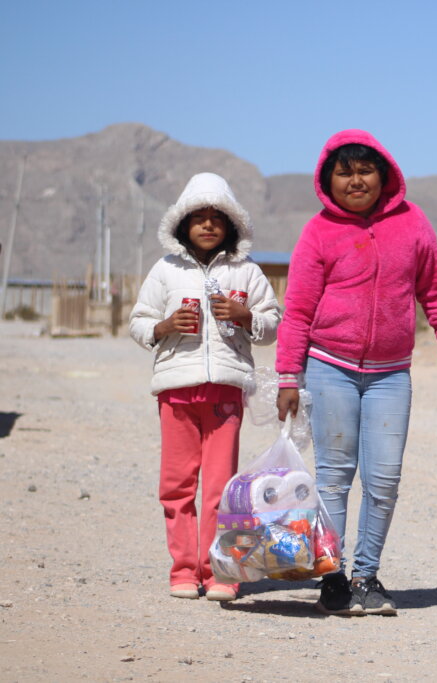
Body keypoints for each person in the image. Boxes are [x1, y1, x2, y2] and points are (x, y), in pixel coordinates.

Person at [276, 130, 437, 617]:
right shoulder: (318, 232)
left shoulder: (412, 223)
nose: (356, 180)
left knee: (384, 479)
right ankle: (333, 576)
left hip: (390, 374)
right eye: (345, 172)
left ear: (385, 176)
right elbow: (297, 310)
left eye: (365, 170)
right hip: (329, 367)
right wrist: (287, 377)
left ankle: (368, 575)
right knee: (335, 477)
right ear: (328, 180)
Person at [129, 172, 281, 602]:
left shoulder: (246, 271)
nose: (208, 224)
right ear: (182, 223)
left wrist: (245, 315)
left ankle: (220, 572)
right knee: (176, 485)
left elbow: (272, 323)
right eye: (199, 217)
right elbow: (138, 321)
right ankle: (183, 570)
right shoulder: (165, 270)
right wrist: (163, 326)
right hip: (176, 390)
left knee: (220, 487)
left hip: (225, 395)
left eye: (218, 217)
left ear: (232, 225)